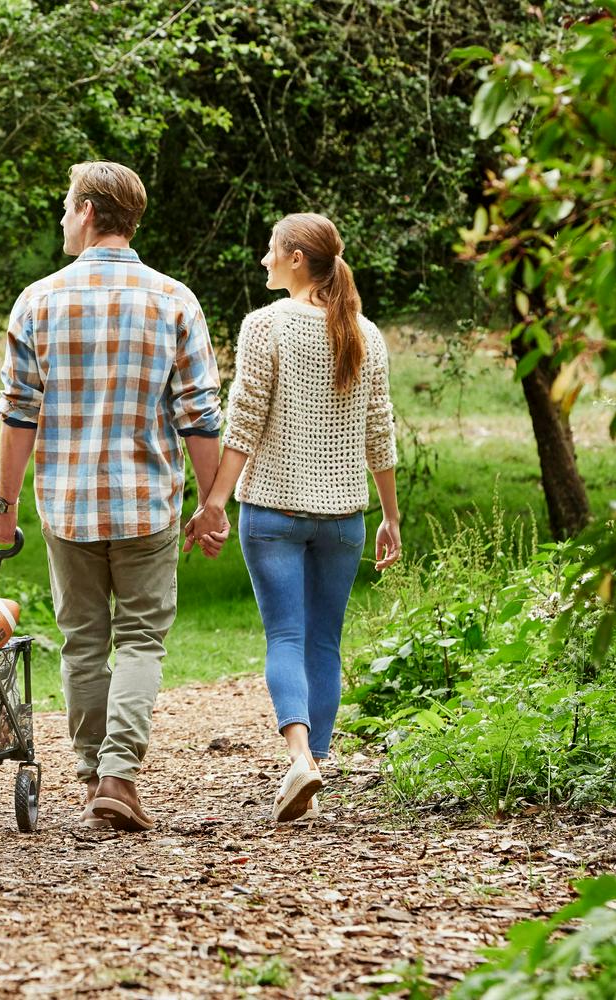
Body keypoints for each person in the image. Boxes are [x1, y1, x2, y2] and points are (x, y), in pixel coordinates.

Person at [0, 161, 223, 832]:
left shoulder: (39, 300)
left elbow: (17, 414)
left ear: (88, 212)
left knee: (83, 641)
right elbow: (200, 414)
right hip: (148, 501)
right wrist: (212, 502)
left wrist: (3, 510)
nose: (61, 217)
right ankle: (120, 775)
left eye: (66, 205)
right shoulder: (175, 299)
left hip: (68, 503)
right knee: (142, 638)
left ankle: (93, 776)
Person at [188, 212, 401, 823]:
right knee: (324, 642)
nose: (264, 260)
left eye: (272, 250)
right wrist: (390, 517)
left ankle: (300, 759)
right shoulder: (368, 333)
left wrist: (215, 503)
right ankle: (315, 770)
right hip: (344, 517)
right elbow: (379, 434)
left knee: (284, 636)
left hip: (274, 510)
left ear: (298, 260)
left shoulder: (266, 326)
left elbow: (245, 420)